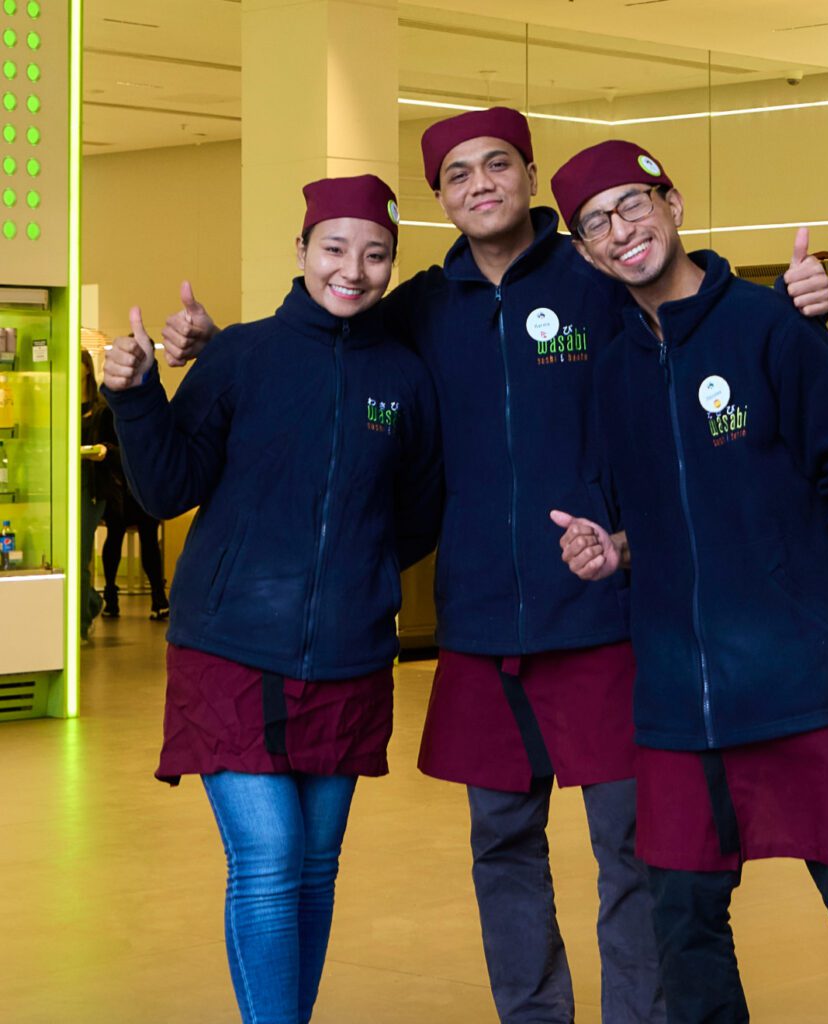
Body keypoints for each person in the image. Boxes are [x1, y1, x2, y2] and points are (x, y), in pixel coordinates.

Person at [159, 108, 828, 1024]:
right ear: (440, 199)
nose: (480, 184)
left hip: (604, 612)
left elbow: (702, 328)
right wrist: (209, 350)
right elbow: (326, 341)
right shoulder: (420, 311)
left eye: (498, 165)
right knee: (502, 845)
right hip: (478, 623)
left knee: (627, 848)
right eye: (458, 175)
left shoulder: (597, 280)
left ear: (527, 174)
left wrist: (797, 316)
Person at [549, 139, 828, 1024]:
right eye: (596, 223)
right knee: (682, 919)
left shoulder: (772, 329)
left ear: (674, 203)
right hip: (684, 697)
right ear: (584, 251)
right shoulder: (613, 369)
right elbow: (675, 516)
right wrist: (616, 551)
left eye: (633, 204)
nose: (621, 230)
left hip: (816, 680)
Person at [101, 175, 442, 1024]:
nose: (353, 271)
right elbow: (167, 487)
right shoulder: (240, 356)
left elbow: (421, 509)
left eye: (374, 255)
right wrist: (137, 395)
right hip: (229, 648)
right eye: (334, 249)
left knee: (316, 868)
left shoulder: (404, 377)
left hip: (350, 654)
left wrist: (357, 571)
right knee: (271, 856)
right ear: (300, 253)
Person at [89, 398, 169, 620]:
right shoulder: (111, 413)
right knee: (130, 538)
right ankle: (148, 596)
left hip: (130, 487)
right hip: (127, 486)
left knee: (139, 539)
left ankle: (140, 595)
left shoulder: (111, 411)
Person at [80, 351, 115, 638]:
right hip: (69, 486)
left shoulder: (101, 409)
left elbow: (114, 448)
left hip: (90, 489)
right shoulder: (63, 405)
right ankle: (90, 603)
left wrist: (101, 451)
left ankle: (81, 618)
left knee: (80, 554)